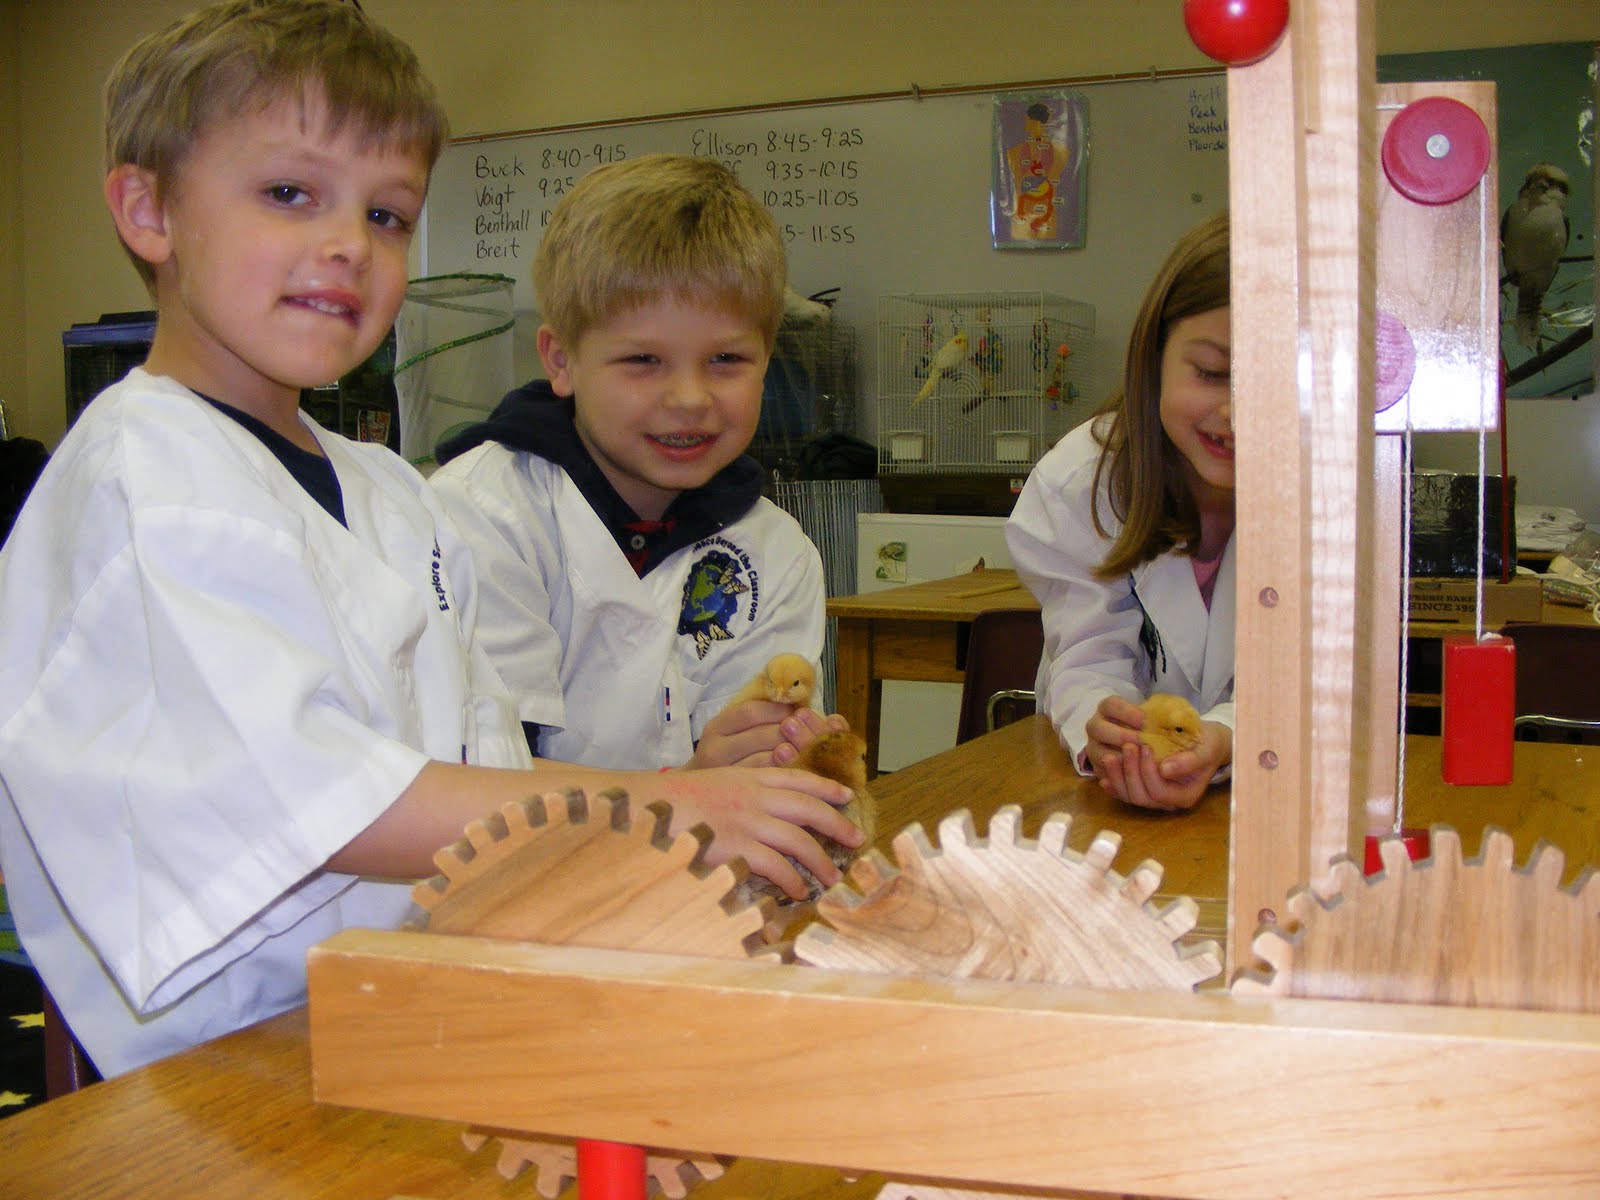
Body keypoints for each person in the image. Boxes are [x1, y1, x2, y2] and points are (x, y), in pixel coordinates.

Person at [0, 0, 855, 1080]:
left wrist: (679, 818)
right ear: (148, 210)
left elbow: (486, 774)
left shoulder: (388, 495)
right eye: (288, 193)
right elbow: (329, 807)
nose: (346, 246)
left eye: (390, 215)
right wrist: (673, 806)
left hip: (414, 1010)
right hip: (220, 1071)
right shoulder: (146, 480)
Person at [429, 155, 845, 780]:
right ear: (562, 361)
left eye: (727, 359)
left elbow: (744, 780)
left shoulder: (777, 554)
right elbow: (481, 784)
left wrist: (770, 760)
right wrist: (697, 799)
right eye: (644, 360)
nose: (690, 399)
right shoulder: (484, 516)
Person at [1005, 211, 1233, 812]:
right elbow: (1088, 654)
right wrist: (1105, 734)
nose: (1237, 413)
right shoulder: (1082, 483)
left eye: (1276, 383)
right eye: (1212, 373)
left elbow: (1315, 678)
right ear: (1155, 355)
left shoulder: (1335, 500)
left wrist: (1229, 737)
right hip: (1109, 814)